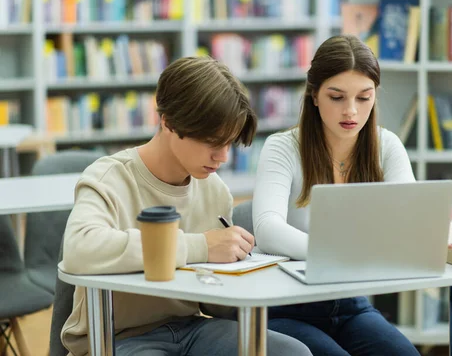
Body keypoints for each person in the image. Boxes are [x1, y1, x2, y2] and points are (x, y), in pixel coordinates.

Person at [60, 56, 313, 356]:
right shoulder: (108, 178)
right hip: (119, 338)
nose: (223, 157)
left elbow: (211, 303)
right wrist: (201, 247)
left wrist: (238, 271)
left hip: (192, 327)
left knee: (292, 353)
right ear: (168, 122)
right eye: (212, 142)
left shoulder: (215, 191)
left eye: (229, 143)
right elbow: (80, 249)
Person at [251, 34, 421, 356]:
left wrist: (426, 235)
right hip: (286, 305)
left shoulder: (387, 146)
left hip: (350, 304)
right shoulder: (282, 147)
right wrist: (344, 255)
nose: (351, 112)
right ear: (314, 95)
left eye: (364, 98)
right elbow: (267, 229)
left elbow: (411, 217)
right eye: (337, 97)